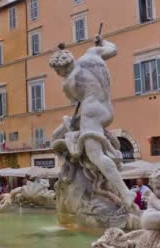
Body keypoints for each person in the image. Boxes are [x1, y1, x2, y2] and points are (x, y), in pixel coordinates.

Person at [50, 36, 136, 209]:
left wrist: (72, 122)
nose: (58, 74)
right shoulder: (91, 54)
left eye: (57, 71)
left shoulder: (68, 82)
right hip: (106, 108)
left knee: (95, 155)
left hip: (91, 111)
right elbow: (113, 48)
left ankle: (125, 192)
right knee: (64, 131)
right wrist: (101, 41)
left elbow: (75, 101)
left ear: (61, 69)